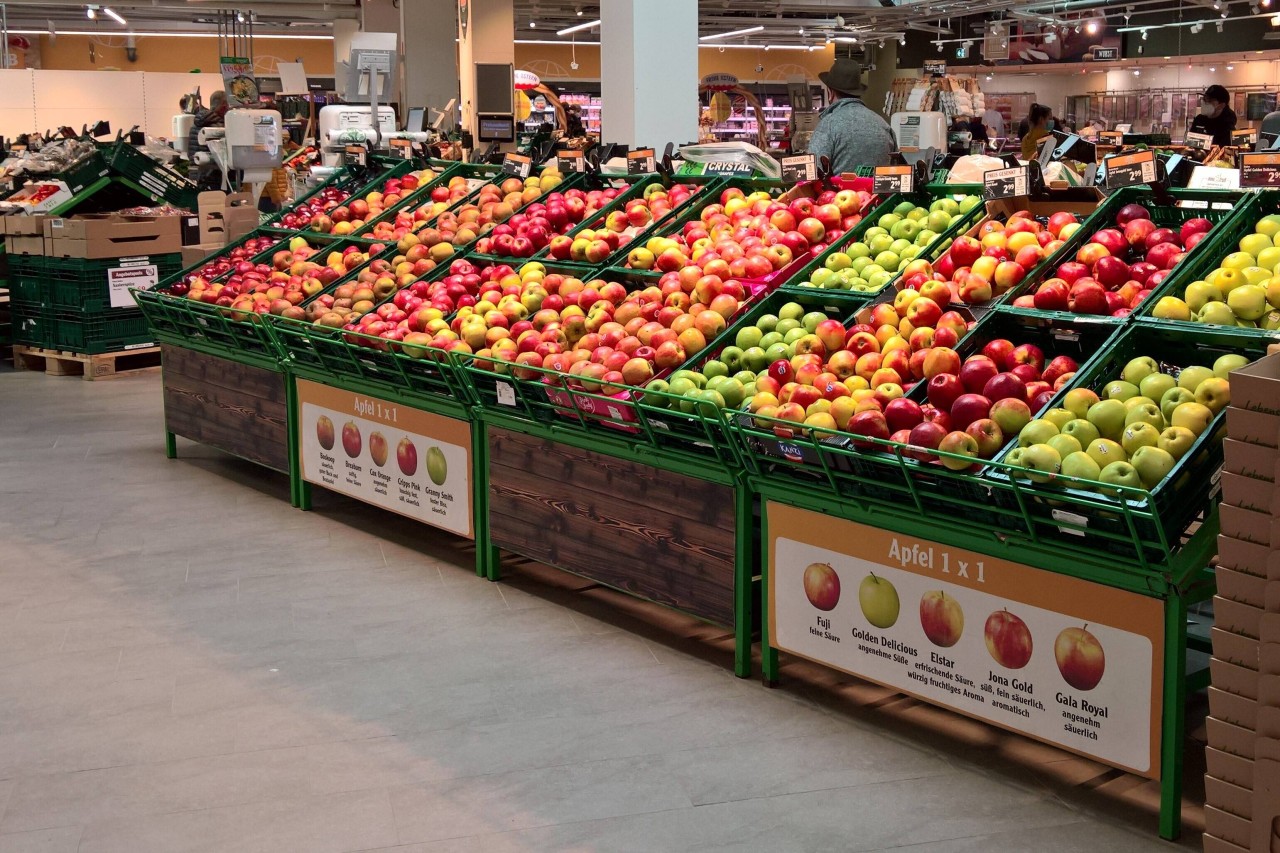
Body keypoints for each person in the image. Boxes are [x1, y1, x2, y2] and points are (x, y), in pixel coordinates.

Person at [807, 58, 895, 172]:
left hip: (840, 190)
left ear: (830, 93)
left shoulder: (828, 125)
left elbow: (812, 171)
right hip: (878, 190)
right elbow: (896, 168)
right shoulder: (883, 124)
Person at [187, 90, 229, 188]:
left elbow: (191, 153)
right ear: (223, 107)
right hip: (213, 177)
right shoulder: (218, 126)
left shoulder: (196, 123)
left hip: (197, 174)